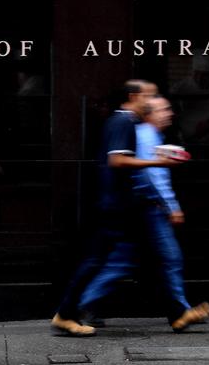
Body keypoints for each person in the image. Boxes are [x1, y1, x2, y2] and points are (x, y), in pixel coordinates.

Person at [51, 80, 180, 336]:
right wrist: (157, 162)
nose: (151, 100)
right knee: (99, 261)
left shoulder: (125, 122)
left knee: (105, 260)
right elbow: (118, 160)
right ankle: (67, 314)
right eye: (148, 95)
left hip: (117, 205)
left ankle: (68, 313)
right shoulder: (123, 122)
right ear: (133, 96)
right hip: (115, 207)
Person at [133, 96, 209, 331]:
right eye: (164, 109)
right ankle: (180, 313)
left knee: (128, 260)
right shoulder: (148, 135)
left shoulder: (151, 135)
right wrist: (172, 206)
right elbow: (154, 175)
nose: (169, 113)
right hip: (151, 208)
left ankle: (179, 311)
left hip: (146, 206)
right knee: (169, 258)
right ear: (149, 114)